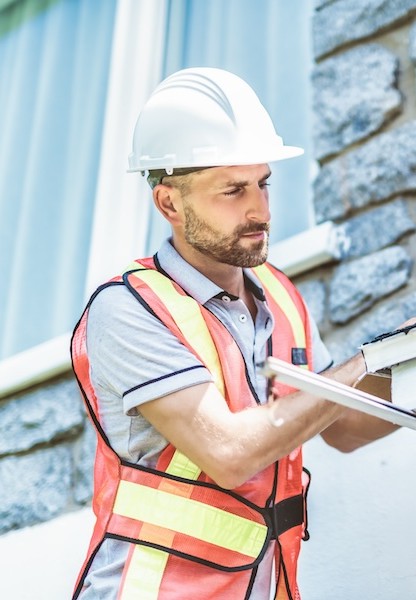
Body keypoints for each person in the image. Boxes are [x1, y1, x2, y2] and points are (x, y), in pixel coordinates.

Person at [70, 67, 398, 600]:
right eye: (233, 190)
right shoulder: (128, 309)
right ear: (170, 204)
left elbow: (348, 425)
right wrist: (364, 362)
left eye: (263, 183)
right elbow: (229, 452)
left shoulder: (281, 297)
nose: (259, 210)